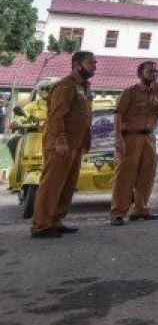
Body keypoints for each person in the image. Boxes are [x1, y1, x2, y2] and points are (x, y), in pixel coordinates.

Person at [30, 51, 96, 238]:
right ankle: (41, 225)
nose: (94, 66)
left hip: (75, 144)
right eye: (90, 63)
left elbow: (84, 116)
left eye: (95, 63)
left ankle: (56, 220)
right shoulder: (65, 85)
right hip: (61, 144)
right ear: (77, 64)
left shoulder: (84, 86)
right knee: (52, 184)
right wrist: (60, 139)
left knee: (67, 184)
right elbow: (56, 115)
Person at [110, 61, 158, 225]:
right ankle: (118, 213)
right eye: (150, 71)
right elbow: (118, 115)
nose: (154, 74)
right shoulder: (129, 92)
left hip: (149, 138)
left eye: (156, 71)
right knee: (125, 176)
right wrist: (118, 138)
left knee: (147, 175)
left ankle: (141, 210)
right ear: (140, 73)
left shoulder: (157, 93)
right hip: (130, 137)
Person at [6, 78, 53, 160]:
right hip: (33, 134)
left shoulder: (62, 106)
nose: (45, 91)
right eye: (42, 88)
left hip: (56, 136)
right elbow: (22, 116)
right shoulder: (32, 105)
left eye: (48, 88)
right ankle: (19, 169)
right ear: (38, 90)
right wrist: (16, 122)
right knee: (13, 142)